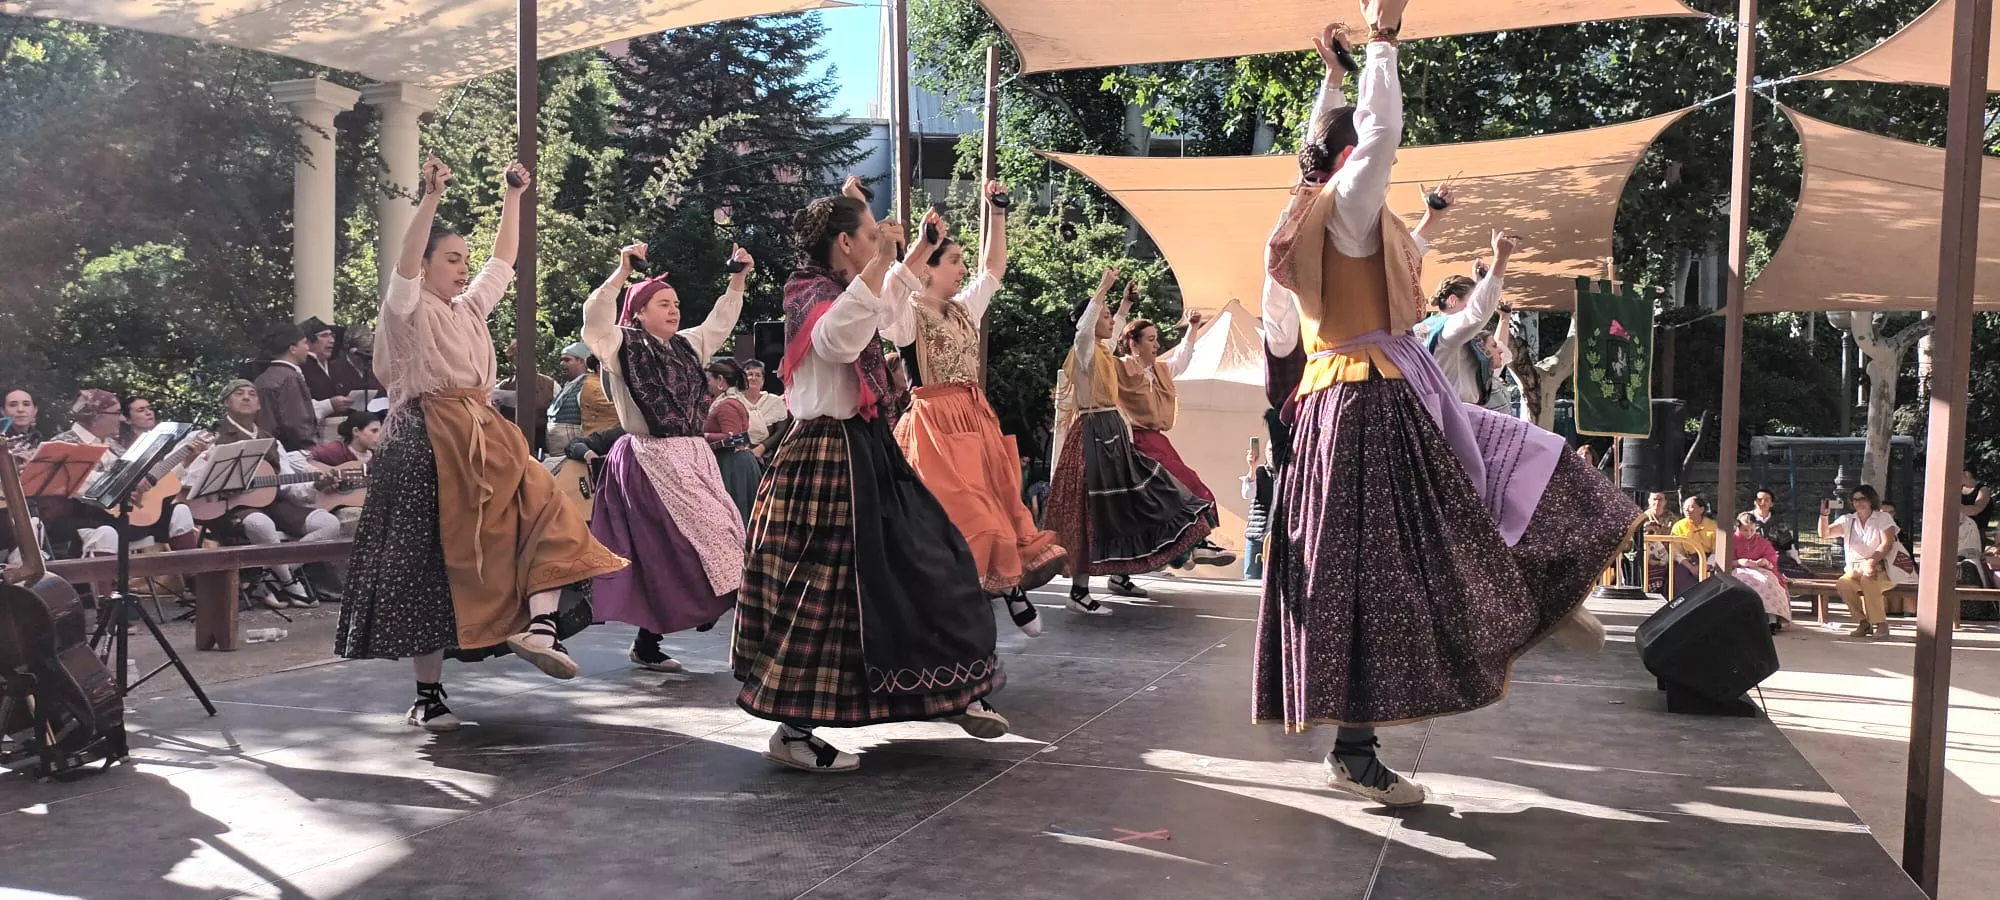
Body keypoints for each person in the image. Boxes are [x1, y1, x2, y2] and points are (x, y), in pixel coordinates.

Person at [1254, 7, 1637, 808]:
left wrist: (1331, 73)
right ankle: (1531, 590)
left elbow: (1332, 167)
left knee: (1413, 545)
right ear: (1349, 159)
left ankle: (1536, 586)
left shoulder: (1308, 221)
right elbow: (1376, 134)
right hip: (1367, 402)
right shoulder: (1347, 210)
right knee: (1402, 562)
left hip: (1355, 402)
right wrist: (1382, 45)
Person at [335, 156, 628, 732]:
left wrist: (513, 197)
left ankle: (540, 627)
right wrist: (430, 198)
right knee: (427, 563)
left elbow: (503, 261)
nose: (463, 268)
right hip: (427, 439)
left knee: (548, 511)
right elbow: (405, 267)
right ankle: (428, 693)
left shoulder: (467, 309)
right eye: (450, 258)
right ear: (422, 264)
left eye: (462, 259)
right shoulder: (405, 308)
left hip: (484, 430)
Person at [734, 186, 1007, 773]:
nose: (878, 239)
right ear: (845, 243)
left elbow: (882, 308)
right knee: (826, 593)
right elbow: (840, 338)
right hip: (825, 455)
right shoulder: (806, 290)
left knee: (926, 560)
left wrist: (912, 255)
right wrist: (890, 260)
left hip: (865, 448)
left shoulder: (841, 288)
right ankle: (794, 730)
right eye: (869, 234)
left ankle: (949, 688)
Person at [887, 185, 1067, 635]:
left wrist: (997, 212)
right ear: (927, 271)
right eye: (953, 261)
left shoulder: (963, 309)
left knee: (1001, 504)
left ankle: (1009, 587)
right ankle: (983, 596)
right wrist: (919, 246)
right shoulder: (907, 317)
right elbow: (890, 288)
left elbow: (993, 269)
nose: (963, 269)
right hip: (934, 426)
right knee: (966, 511)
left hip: (975, 419)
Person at [580, 242, 752, 674]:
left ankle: (653, 638)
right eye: (663, 303)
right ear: (639, 311)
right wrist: (621, 273)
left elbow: (720, 321)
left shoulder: (687, 346)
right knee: (675, 547)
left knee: (721, 536)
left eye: (676, 304)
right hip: (651, 458)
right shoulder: (620, 345)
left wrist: (737, 278)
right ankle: (730, 633)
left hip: (692, 456)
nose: (674, 310)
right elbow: (594, 318)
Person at [1045, 268, 1216, 611]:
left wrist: (1122, 302)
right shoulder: (1084, 351)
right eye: (1105, 316)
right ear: (1088, 321)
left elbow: (1108, 328)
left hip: (1111, 434)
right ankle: (1080, 592)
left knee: (1132, 499)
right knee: (1090, 511)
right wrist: (1103, 289)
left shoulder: (1103, 351)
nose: (1112, 321)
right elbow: (1085, 331)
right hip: (1093, 435)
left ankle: (1176, 548)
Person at [184, 381, 341, 608]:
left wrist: (316, 485)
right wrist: (223, 481)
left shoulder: (271, 441)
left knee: (329, 523)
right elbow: (189, 479)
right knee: (261, 523)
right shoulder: (211, 437)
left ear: (259, 405)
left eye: (252, 394)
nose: (246, 397)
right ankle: (289, 582)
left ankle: (267, 576)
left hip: (274, 503)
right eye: (239, 394)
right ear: (227, 402)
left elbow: (288, 485)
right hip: (230, 508)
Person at [1112, 296, 1237, 571]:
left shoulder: (1160, 370)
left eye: (1157, 339)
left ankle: (1189, 548)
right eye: (1151, 339)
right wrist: (1123, 308)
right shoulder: (1121, 367)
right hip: (1137, 442)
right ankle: (1191, 547)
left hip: (1157, 440)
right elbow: (1106, 346)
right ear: (1133, 343)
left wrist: (1193, 328)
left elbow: (1182, 359)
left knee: (1181, 491)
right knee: (1180, 489)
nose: (1157, 345)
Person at [1416, 230, 1519, 407]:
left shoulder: (1427, 329)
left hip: (1450, 416)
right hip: (1454, 419)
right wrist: (1500, 260)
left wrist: (1480, 285)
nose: (1472, 305)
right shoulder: (1445, 332)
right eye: (1470, 300)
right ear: (1452, 300)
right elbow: (1476, 313)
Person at [1820, 485, 1897, 639]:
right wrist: (1823, 516)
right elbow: (1825, 534)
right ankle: (1863, 622)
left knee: (1868, 580)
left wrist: (1872, 562)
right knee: (1843, 583)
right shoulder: (1848, 520)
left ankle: (1881, 624)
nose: (1859, 503)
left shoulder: (1883, 518)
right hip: (1854, 570)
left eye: (1862, 499)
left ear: (1870, 500)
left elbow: (1886, 544)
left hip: (1881, 569)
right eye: (1855, 499)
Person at [254, 322, 338, 452]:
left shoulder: (263, 377)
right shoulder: (290, 378)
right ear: (292, 349)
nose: (307, 348)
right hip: (293, 452)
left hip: (270, 449)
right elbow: (296, 423)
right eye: (304, 343)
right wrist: (312, 450)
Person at [705, 358, 761, 524]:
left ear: (720, 380)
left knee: (736, 510)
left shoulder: (727, 405)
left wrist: (703, 436)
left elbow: (733, 437)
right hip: (735, 462)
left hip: (733, 465)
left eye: (709, 379)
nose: (707, 383)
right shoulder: (728, 402)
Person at [545, 341, 616, 457]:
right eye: (561, 360)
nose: (562, 364)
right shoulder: (568, 385)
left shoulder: (590, 385)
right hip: (560, 454)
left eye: (567, 360)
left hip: (577, 453)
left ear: (581, 361)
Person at [1727, 512, 1790, 632]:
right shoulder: (1731, 541)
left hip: (1762, 571)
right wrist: (1738, 561)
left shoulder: (1762, 542)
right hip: (1739, 570)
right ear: (1739, 528)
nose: (1749, 533)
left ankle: (1772, 619)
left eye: (1752, 530)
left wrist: (1765, 561)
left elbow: (1771, 558)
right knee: (1742, 583)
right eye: (1745, 530)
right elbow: (1726, 561)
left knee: (1769, 582)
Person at [1240, 418, 1280, 581]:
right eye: (1269, 450)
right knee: (1251, 577)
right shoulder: (1260, 472)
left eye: (1275, 450)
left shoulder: (1290, 474)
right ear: (1265, 452)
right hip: (1256, 536)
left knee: (1272, 580)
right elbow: (1247, 494)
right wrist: (1252, 468)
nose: (1272, 454)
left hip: (1277, 538)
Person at [1748, 488, 1813, 579]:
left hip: (1774, 558)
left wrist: (1799, 562)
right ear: (1755, 502)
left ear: (1771, 504)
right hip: (1752, 557)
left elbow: (1787, 544)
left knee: (1803, 575)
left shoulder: (1777, 521)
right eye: (1759, 500)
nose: (1762, 503)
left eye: (1766, 500)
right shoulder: (1746, 518)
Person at [741, 360, 789, 462]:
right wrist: (744, 450)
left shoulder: (774, 402)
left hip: (766, 455)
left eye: (758, 375)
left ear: (763, 381)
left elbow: (781, 430)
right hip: (738, 454)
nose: (753, 378)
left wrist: (761, 448)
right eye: (749, 374)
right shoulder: (733, 400)